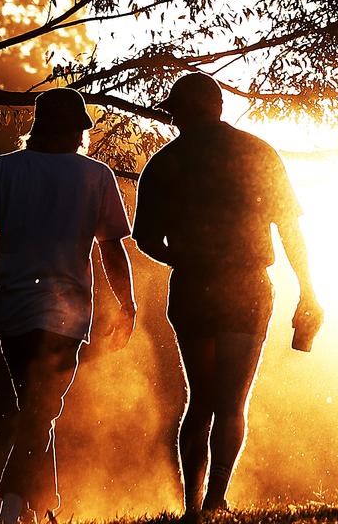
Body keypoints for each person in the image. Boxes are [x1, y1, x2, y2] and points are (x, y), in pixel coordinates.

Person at [132, 72, 322, 514]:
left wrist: (181, 259)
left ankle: (193, 505)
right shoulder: (257, 152)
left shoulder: (164, 163)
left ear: (186, 110)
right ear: (217, 105)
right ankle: (216, 499)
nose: (173, 118)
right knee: (232, 400)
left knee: (201, 398)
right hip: (248, 284)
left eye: (175, 110)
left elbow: (144, 239)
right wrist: (308, 290)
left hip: (194, 286)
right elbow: (289, 228)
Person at [0, 88, 135, 524]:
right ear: (77, 131)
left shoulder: (3, 169)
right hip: (67, 312)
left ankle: (40, 507)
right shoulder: (96, 176)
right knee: (41, 407)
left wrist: (19, 238)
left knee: (37, 405)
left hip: (12, 309)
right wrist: (128, 304)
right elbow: (111, 248)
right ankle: (11, 504)